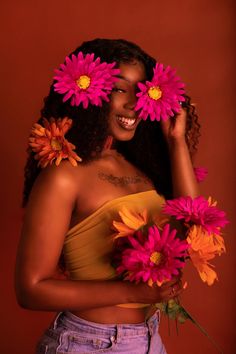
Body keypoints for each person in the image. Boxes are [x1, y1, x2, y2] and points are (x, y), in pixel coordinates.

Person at [15, 38, 200, 353]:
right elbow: (31, 290)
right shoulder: (63, 176)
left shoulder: (139, 168)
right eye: (118, 89)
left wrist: (176, 141)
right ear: (89, 91)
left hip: (149, 340)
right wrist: (131, 292)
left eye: (140, 89)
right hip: (89, 344)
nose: (133, 102)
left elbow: (193, 225)